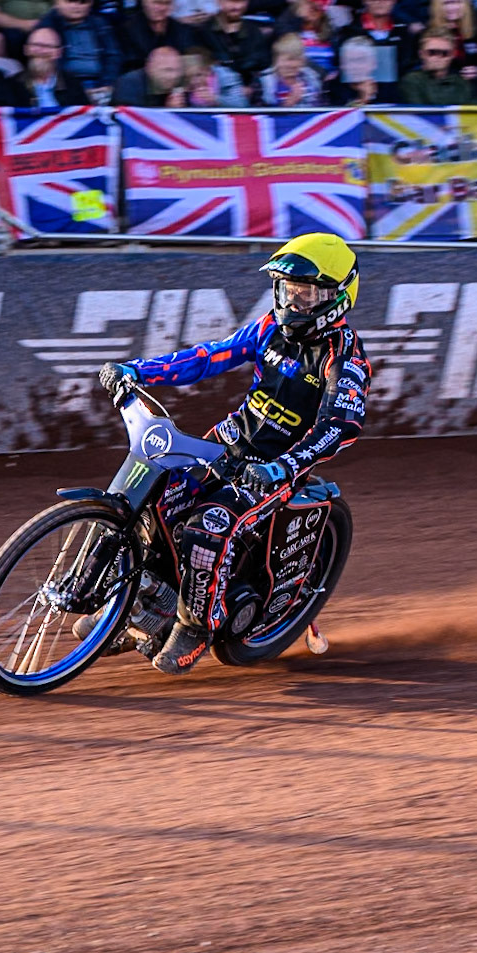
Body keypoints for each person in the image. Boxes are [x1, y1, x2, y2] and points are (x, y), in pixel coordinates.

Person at [94, 235, 371, 676]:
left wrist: (284, 466)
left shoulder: (344, 358)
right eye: (286, 290)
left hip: (275, 470)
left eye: (306, 293)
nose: (292, 302)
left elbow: (341, 425)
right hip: (224, 444)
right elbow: (209, 357)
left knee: (208, 528)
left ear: (337, 296)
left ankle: (194, 628)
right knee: (154, 501)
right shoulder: (269, 328)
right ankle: (145, 605)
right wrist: (136, 370)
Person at [18, 26, 89, 107]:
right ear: (26, 49)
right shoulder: (14, 84)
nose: (41, 51)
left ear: (58, 52)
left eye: (47, 46)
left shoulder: (71, 84)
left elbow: (83, 115)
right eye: (36, 45)